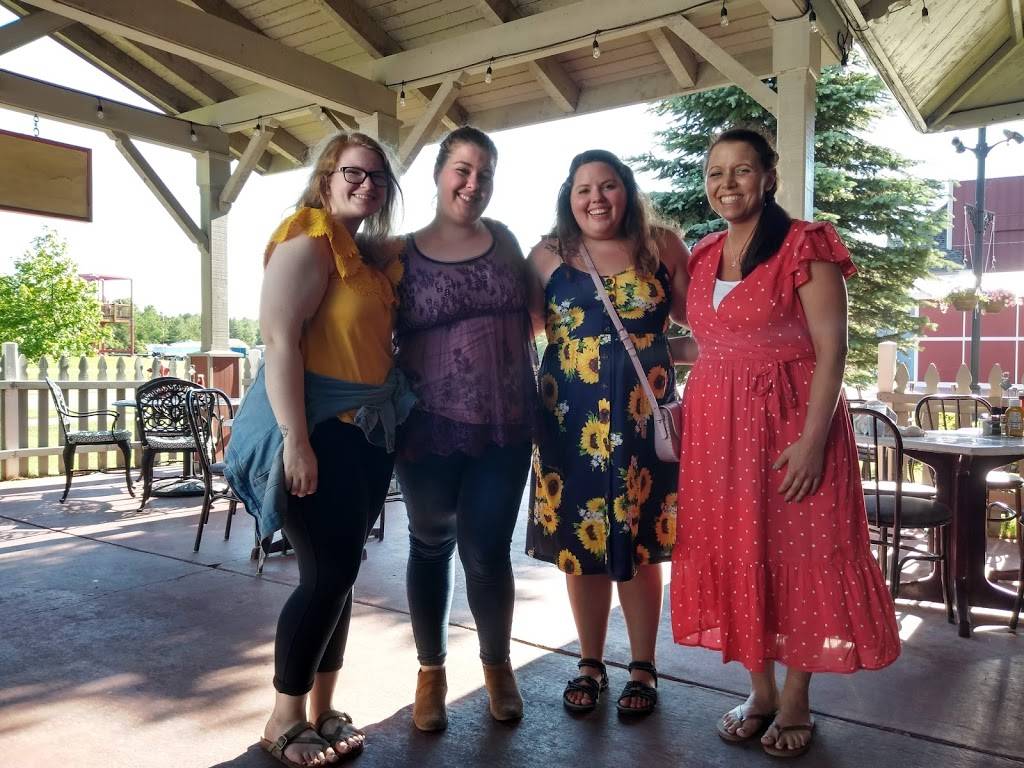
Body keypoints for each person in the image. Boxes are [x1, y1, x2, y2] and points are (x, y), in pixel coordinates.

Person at [669, 127, 901, 758]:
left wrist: (812, 442)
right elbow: (711, 342)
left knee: (803, 551)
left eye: (741, 170)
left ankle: (796, 700)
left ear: (768, 178)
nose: (727, 184)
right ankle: (760, 692)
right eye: (716, 172)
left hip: (791, 426)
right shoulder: (704, 252)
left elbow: (833, 349)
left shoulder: (806, 243)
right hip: (717, 435)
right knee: (739, 548)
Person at [227, 131, 412, 768]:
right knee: (324, 576)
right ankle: (283, 718)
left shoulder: (363, 256)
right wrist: (296, 441)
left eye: (378, 176)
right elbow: (281, 342)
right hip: (319, 431)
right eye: (353, 173)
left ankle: (324, 708)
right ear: (326, 177)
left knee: (343, 573)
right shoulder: (308, 237)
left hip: (365, 434)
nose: (366, 184)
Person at [524, 149, 689, 716]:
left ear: (627, 190)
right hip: (569, 427)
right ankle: (589, 663)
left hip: (645, 426)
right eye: (584, 189)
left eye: (608, 185)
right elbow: (517, 333)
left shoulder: (663, 246)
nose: (597, 198)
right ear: (569, 199)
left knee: (641, 546)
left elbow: (706, 325)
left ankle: (643, 666)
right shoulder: (547, 255)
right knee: (583, 544)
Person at [393, 127, 536, 731]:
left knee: (487, 549)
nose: (473, 184)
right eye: (462, 170)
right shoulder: (399, 252)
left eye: (485, 174)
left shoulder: (505, 241)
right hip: (426, 426)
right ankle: (431, 672)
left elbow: (539, 315)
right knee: (429, 542)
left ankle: (497, 666)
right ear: (438, 174)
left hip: (505, 425)